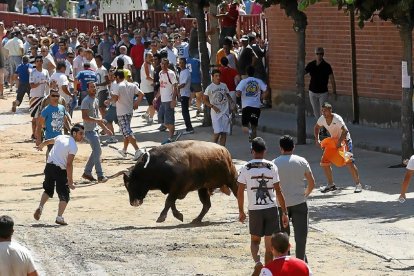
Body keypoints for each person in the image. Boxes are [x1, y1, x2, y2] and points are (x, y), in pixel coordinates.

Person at [237, 137, 289, 274]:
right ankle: (268, 272)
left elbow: (240, 191)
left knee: (255, 241)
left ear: (252, 151)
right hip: (271, 209)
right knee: (270, 246)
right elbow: (278, 191)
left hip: (255, 210)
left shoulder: (245, 168)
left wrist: (241, 211)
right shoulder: (272, 166)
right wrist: (284, 212)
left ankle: (258, 262)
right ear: (265, 151)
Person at [273, 135, 315, 261]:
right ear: (293, 147)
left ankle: (286, 262)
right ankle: (301, 263)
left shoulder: (274, 163)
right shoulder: (301, 161)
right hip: (299, 202)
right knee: (301, 238)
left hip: (282, 205)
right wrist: (305, 194)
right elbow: (312, 182)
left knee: (284, 237)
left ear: (281, 148)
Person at [33, 124, 85, 226]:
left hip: (49, 166)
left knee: (48, 190)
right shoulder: (73, 146)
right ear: (74, 133)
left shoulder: (61, 137)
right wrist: (70, 181)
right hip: (60, 170)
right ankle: (59, 217)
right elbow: (69, 164)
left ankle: (40, 207)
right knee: (64, 195)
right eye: (80, 133)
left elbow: (47, 142)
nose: (82, 136)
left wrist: (41, 146)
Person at [314, 102, 364, 193]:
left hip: (345, 140)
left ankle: (358, 185)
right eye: (322, 111)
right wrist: (317, 140)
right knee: (324, 162)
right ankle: (331, 185)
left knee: (349, 162)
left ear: (330, 111)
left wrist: (340, 142)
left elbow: (345, 131)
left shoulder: (337, 119)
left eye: (325, 111)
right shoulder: (322, 119)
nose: (323, 113)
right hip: (334, 141)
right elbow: (316, 127)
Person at [81, 82, 113, 182]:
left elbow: (97, 118)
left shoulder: (95, 100)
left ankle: (87, 172)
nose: (93, 89)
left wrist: (105, 129)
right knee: (97, 151)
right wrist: (98, 121)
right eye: (91, 87)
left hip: (95, 130)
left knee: (96, 152)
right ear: (87, 89)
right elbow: (84, 117)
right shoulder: (86, 101)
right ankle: (100, 175)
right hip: (89, 131)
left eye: (94, 87)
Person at [111, 70, 145, 160]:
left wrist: (108, 101)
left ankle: (137, 150)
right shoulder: (131, 85)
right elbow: (141, 94)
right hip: (129, 111)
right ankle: (124, 150)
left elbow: (115, 99)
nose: (114, 79)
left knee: (127, 132)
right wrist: (136, 103)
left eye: (115, 77)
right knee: (126, 132)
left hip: (122, 112)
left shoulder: (118, 86)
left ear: (118, 77)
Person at [236, 66, 268, 142]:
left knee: (244, 126)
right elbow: (266, 91)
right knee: (254, 125)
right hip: (256, 107)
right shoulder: (259, 81)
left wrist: (238, 95)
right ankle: (254, 144)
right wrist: (261, 98)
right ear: (254, 72)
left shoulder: (243, 81)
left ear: (246, 73)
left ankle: (249, 132)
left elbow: (238, 93)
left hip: (246, 107)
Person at [203, 69, 234, 146]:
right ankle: (213, 148)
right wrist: (212, 106)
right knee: (217, 132)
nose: (218, 77)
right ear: (212, 77)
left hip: (225, 111)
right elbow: (205, 100)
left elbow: (227, 94)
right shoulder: (209, 88)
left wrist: (232, 102)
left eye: (219, 76)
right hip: (215, 112)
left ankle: (222, 150)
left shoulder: (224, 85)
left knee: (224, 132)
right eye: (216, 76)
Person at [305, 47, 336, 119]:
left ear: (323, 54)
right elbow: (303, 72)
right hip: (312, 92)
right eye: (317, 54)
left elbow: (332, 79)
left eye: (321, 54)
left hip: (323, 93)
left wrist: (334, 91)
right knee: (316, 111)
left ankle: (323, 127)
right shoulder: (311, 64)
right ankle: (320, 126)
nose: (319, 55)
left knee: (323, 111)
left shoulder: (327, 66)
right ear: (315, 54)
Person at [157, 58, 179, 144]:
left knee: (169, 120)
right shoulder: (160, 73)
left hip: (169, 100)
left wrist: (173, 99)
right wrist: (157, 97)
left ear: (168, 65)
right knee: (161, 119)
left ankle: (171, 137)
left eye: (165, 64)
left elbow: (175, 87)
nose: (163, 66)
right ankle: (173, 132)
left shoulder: (171, 74)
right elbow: (161, 86)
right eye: (162, 64)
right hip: (163, 100)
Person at [29, 55, 50, 140]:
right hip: (34, 97)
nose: (39, 62)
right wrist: (41, 82)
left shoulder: (46, 71)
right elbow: (32, 85)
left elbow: (48, 82)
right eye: (37, 61)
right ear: (35, 63)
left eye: (40, 61)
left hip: (43, 97)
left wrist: (52, 85)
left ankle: (39, 134)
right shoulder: (32, 72)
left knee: (42, 117)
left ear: (42, 62)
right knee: (35, 118)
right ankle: (34, 134)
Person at [177, 57, 194, 135]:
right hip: (182, 94)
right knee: (184, 112)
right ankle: (188, 127)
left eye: (181, 62)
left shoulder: (186, 72)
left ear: (184, 63)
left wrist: (176, 87)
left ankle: (189, 128)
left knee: (185, 112)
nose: (180, 64)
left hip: (185, 94)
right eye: (179, 62)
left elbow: (183, 84)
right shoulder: (181, 72)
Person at [140, 52, 155, 124]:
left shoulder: (150, 64)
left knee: (151, 103)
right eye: (149, 57)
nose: (151, 58)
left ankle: (146, 114)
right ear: (145, 58)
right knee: (152, 104)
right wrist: (156, 81)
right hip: (147, 88)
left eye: (152, 56)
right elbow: (148, 77)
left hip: (150, 87)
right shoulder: (146, 64)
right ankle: (151, 119)